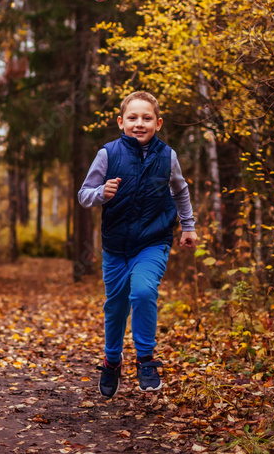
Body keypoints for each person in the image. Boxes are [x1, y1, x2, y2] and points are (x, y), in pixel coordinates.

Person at [77, 91, 198, 396]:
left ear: (158, 123)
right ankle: (112, 361)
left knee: (143, 292)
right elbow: (84, 194)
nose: (139, 124)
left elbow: (180, 191)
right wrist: (101, 193)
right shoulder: (108, 154)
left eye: (146, 118)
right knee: (115, 306)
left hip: (153, 241)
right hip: (116, 246)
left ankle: (145, 359)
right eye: (132, 118)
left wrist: (188, 226)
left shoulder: (167, 156)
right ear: (121, 121)